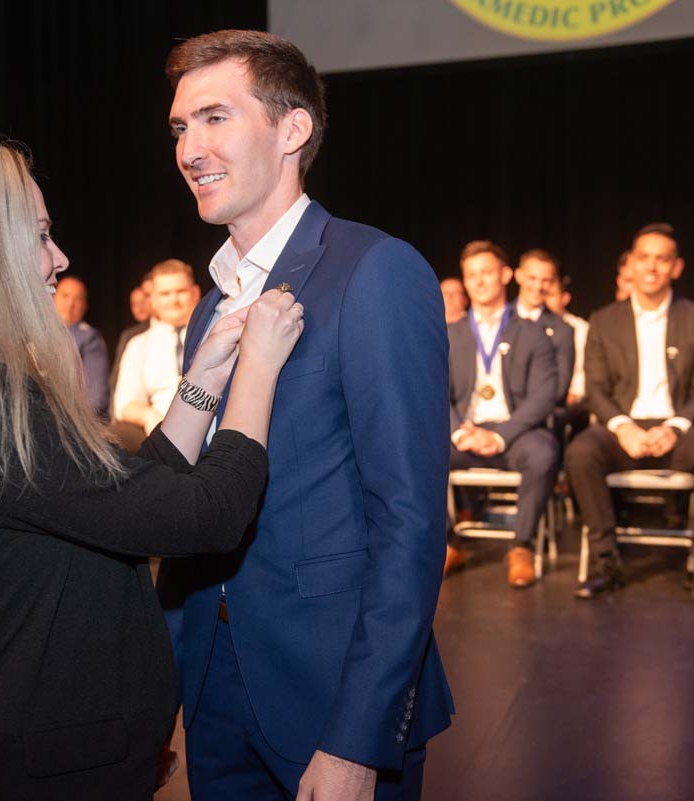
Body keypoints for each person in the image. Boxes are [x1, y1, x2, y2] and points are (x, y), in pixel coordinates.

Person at [0, 131, 305, 800]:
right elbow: (207, 514)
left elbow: (119, 501)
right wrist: (259, 367)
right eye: (40, 237)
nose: (59, 258)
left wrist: (206, 375)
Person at [157, 30, 452, 801]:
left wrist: (359, 737)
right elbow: (197, 513)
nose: (191, 148)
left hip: (333, 698)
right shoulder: (211, 308)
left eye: (215, 118)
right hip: (214, 691)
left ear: (293, 130)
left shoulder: (375, 271)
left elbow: (410, 521)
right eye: (182, 127)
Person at [566, 223, 694, 607]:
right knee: (581, 452)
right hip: (622, 428)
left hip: (677, 428)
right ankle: (605, 562)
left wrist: (675, 427)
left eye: (661, 260)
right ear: (629, 264)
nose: (651, 267)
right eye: (643, 258)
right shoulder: (604, 319)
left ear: (676, 268)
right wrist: (622, 426)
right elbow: (595, 388)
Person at [444, 241, 559, 588]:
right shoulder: (450, 334)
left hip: (515, 433)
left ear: (506, 276)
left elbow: (544, 395)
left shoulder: (533, 332)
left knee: (544, 451)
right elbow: (435, 392)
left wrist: (500, 434)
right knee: (416, 452)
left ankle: (521, 546)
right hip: (465, 431)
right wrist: (459, 432)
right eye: (471, 275)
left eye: (487, 273)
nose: (479, 282)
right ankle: (448, 542)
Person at [111, 259, 200, 450]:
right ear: (152, 300)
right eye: (165, 294)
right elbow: (125, 404)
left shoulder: (215, 333)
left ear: (195, 293)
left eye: (181, 291)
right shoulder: (138, 344)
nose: (173, 300)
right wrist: (148, 416)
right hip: (158, 431)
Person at [514, 249, 574, 404]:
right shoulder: (499, 321)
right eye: (532, 278)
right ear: (518, 275)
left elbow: (559, 390)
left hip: (539, 419)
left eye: (546, 280)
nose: (538, 286)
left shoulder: (562, 330)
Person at [52, 275, 110, 415]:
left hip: (73, 419)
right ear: (53, 298)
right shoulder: (36, 332)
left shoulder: (90, 338)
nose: (70, 304)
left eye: (78, 299)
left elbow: (95, 396)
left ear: (85, 306)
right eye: (65, 296)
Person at [544, 273, 589, 407]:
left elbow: (585, 368)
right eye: (543, 294)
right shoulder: (529, 326)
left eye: (551, 295)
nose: (545, 300)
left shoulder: (580, 328)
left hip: (570, 401)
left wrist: (575, 393)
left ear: (565, 298)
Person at [109, 274, 155, 395]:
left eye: (143, 302)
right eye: (134, 304)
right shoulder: (130, 336)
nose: (139, 308)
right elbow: (116, 376)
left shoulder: (164, 331)